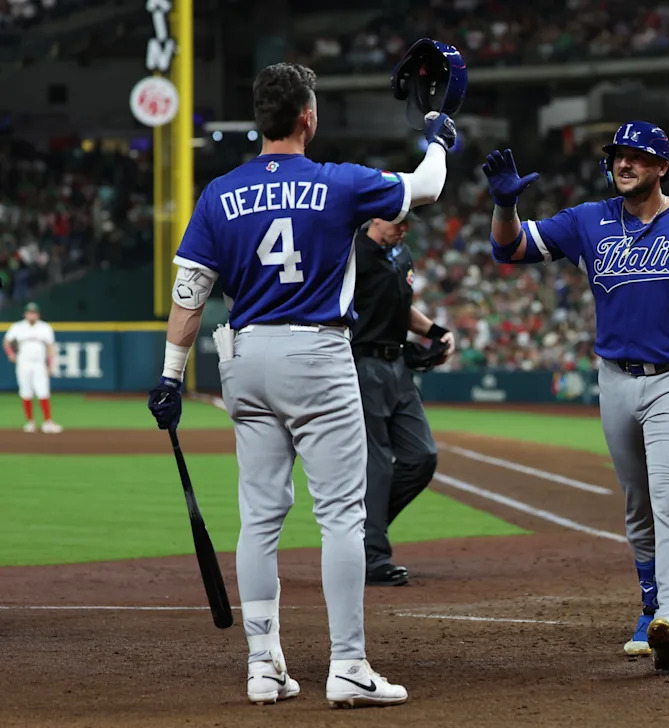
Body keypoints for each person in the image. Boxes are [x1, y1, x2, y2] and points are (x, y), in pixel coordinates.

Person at [146, 62, 457, 708]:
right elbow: (427, 185)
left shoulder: (218, 195)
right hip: (317, 352)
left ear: (261, 121)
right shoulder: (336, 183)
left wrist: (170, 378)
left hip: (247, 355)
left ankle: (264, 666)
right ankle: (348, 665)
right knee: (341, 512)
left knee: (259, 517)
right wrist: (440, 138)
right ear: (307, 118)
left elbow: (189, 297)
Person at [481, 122, 669, 672]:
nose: (624, 165)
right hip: (616, 379)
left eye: (637, 157)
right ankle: (650, 606)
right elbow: (510, 249)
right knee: (638, 505)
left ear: (661, 167)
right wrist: (505, 206)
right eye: (618, 157)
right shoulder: (588, 221)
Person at [351, 216, 454, 586]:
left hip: (398, 366)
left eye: (409, 221)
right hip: (363, 364)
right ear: (376, 216)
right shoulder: (352, 253)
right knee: (376, 464)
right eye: (398, 220)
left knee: (421, 456)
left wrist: (435, 331)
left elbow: (400, 307)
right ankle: (372, 556)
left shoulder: (401, 253)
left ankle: (359, 532)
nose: (405, 227)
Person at [3, 302, 62, 433]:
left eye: (34, 313)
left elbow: (50, 347)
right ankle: (30, 422)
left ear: (38, 314)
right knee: (25, 392)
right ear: (25, 314)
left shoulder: (45, 327)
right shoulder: (18, 327)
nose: (31, 315)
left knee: (43, 391)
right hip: (23, 363)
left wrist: (51, 365)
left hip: (39, 364)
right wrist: (10, 354)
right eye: (29, 312)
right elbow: (6, 342)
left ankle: (47, 422)